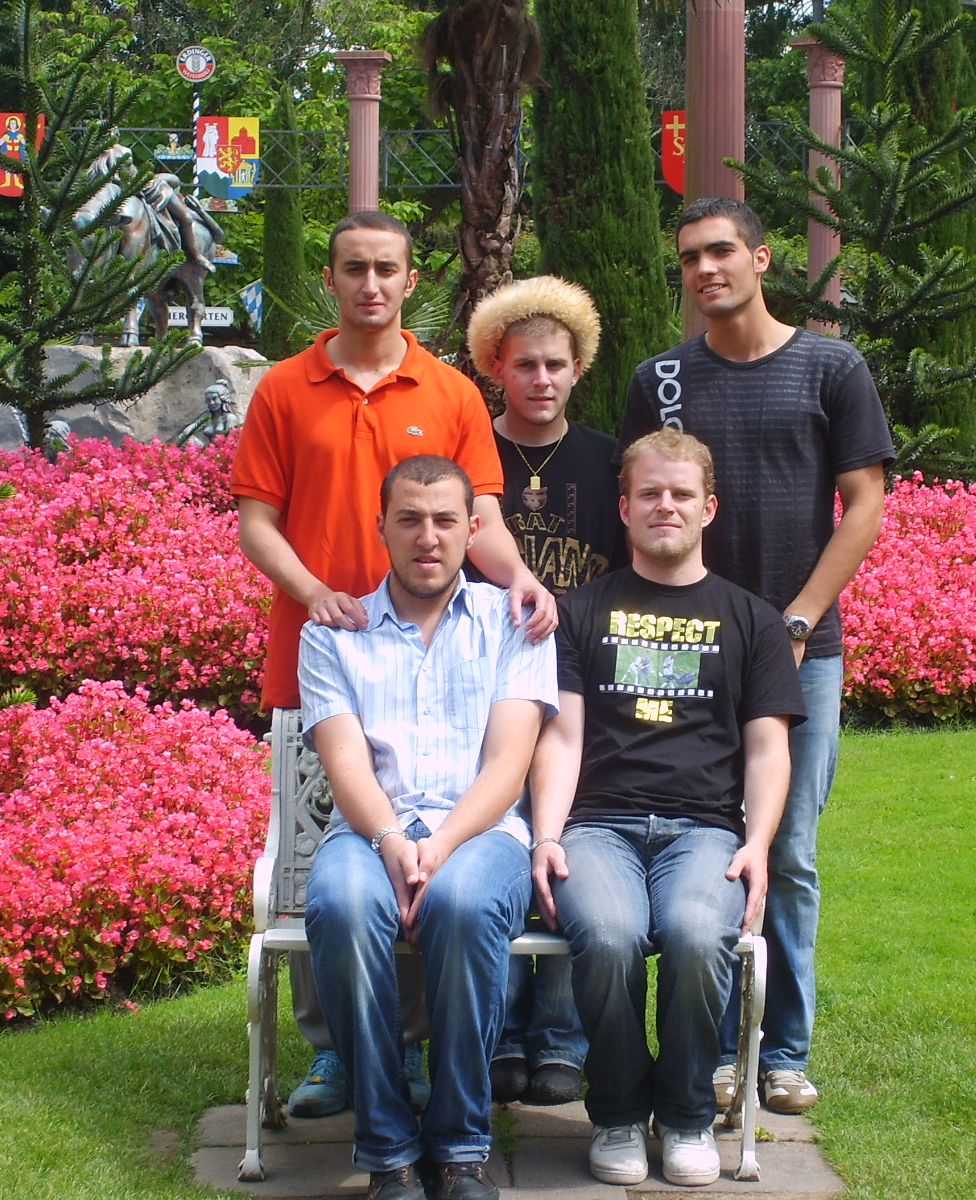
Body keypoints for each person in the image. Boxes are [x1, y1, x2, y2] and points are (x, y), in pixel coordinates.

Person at [232, 210, 557, 1119]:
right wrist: (315, 591)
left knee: (422, 845)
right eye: (354, 268)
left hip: (442, 646)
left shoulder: (449, 392)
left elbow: (478, 518)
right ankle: (333, 1049)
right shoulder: (284, 389)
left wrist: (522, 580)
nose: (370, 284)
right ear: (330, 279)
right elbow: (257, 520)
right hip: (329, 647)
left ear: (411, 281)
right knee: (327, 852)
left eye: (387, 269)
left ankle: (409, 1046)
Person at [618, 196, 894, 1116]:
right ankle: (713, 1050)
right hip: (684, 651)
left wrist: (800, 620)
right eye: (689, 258)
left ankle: (783, 1050)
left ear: (762, 258)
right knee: (699, 842)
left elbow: (864, 503)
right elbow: (640, 513)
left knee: (790, 851)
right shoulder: (661, 380)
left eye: (721, 251)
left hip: (800, 650)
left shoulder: (830, 367)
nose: (705, 270)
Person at [529, 430, 803, 1187]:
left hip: (706, 830)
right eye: (649, 493)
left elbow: (768, 750)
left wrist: (758, 843)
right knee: (609, 935)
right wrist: (548, 835)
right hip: (598, 827)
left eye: (682, 494)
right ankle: (618, 1111)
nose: (666, 506)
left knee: (694, 934)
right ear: (624, 508)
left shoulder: (754, 621)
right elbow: (561, 737)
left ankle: (685, 1114)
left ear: (708, 508)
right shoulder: (578, 612)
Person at [300, 455, 557, 1200]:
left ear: (473, 530)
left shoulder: (514, 623)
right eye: (409, 519)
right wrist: (392, 842)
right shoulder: (333, 634)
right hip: (369, 830)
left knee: (465, 904)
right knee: (342, 906)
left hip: (482, 832)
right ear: (380, 525)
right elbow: (346, 763)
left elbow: (508, 767)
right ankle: (388, 1151)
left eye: (445, 520)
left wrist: (438, 848)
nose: (427, 536)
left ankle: (459, 1146)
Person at [464, 276, 629, 1106]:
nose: (540, 379)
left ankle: (560, 1034)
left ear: (578, 368)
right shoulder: (472, 454)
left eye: (555, 364)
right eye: (524, 363)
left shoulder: (608, 459)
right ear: (496, 366)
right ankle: (497, 1030)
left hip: (582, 682)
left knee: (566, 841)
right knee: (495, 840)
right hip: (483, 682)